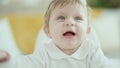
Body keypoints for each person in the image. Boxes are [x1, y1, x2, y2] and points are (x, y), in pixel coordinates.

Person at [0, 0, 112, 68]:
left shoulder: (91, 50)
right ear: (48, 31)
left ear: (87, 31)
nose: (69, 22)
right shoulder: (45, 52)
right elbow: (25, 64)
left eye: (77, 18)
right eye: (61, 18)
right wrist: (10, 60)